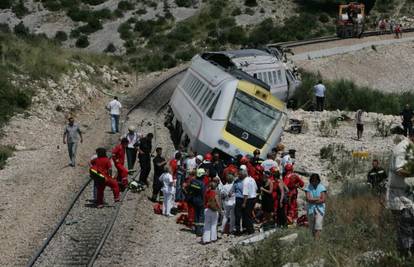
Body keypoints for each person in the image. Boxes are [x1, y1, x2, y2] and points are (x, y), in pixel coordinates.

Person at [386, 132, 414, 256]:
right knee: (406, 237)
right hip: (401, 201)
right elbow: (400, 170)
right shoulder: (403, 148)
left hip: (407, 199)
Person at [305, 173, 327, 240]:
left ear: (318, 181)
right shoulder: (308, 187)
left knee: (318, 225)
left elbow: (323, 200)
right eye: (313, 181)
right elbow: (308, 199)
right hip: (311, 208)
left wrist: (313, 200)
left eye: (315, 181)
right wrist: (317, 198)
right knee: (312, 225)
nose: (314, 182)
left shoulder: (321, 187)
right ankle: (313, 239)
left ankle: (317, 241)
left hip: (320, 208)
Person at [187, 168, 206, 236]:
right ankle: (199, 231)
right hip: (200, 201)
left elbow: (189, 189)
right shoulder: (202, 184)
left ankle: (195, 229)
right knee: (201, 215)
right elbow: (203, 194)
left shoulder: (193, 181)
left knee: (196, 214)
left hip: (194, 200)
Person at [242, 165, 258, 234]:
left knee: (246, 215)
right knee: (249, 214)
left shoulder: (245, 181)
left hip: (249, 199)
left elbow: (245, 194)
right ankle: (250, 229)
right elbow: (256, 188)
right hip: (254, 198)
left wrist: (244, 203)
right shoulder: (252, 179)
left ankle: (250, 230)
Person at [232, 166, 245, 235]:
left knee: (238, 214)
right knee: (240, 214)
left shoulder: (238, 181)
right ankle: (241, 229)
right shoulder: (239, 181)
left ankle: (239, 229)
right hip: (242, 199)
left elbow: (232, 190)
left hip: (240, 199)